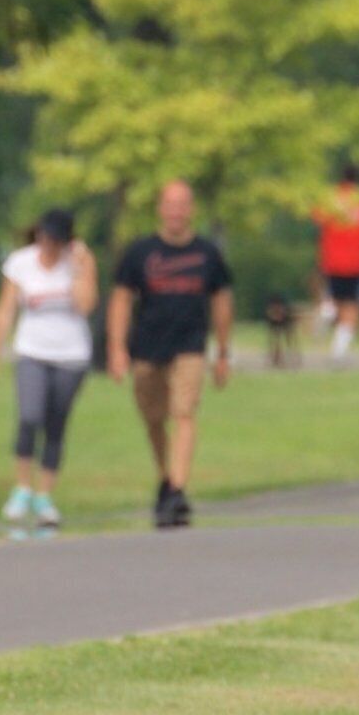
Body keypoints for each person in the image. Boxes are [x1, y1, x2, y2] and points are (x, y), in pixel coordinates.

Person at [106, 179, 234, 530]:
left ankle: (177, 489)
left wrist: (222, 352)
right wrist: (116, 348)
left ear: (191, 210)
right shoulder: (140, 253)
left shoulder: (207, 254)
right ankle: (166, 477)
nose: (176, 211)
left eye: (183, 204)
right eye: (170, 204)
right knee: (153, 417)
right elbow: (120, 299)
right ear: (160, 209)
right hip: (147, 346)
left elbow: (222, 302)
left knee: (184, 413)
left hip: (190, 345)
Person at [0, 208, 100, 537]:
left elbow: (86, 305)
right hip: (32, 350)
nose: (50, 245)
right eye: (46, 237)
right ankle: (21, 487)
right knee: (29, 415)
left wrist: (81, 268)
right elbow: (5, 310)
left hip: (71, 354)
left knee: (56, 423)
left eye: (57, 240)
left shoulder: (77, 264)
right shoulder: (21, 262)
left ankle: (45, 494)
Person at [313, 166, 359, 359]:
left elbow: (317, 221)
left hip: (331, 261)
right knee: (352, 306)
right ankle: (339, 349)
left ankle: (327, 312)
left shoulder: (330, 198)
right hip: (357, 263)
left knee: (333, 298)